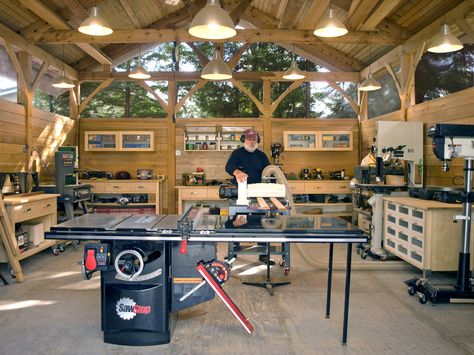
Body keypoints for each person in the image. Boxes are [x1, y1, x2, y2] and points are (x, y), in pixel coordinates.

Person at [225, 129, 273, 264]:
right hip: (240, 193)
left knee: (262, 222)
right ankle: (233, 250)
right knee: (236, 220)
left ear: (257, 141)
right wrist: (237, 172)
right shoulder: (237, 154)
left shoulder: (262, 155)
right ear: (243, 140)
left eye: (254, 139)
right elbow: (229, 166)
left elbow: (269, 171)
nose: (252, 142)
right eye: (249, 139)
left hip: (258, 194)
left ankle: (263, 253)